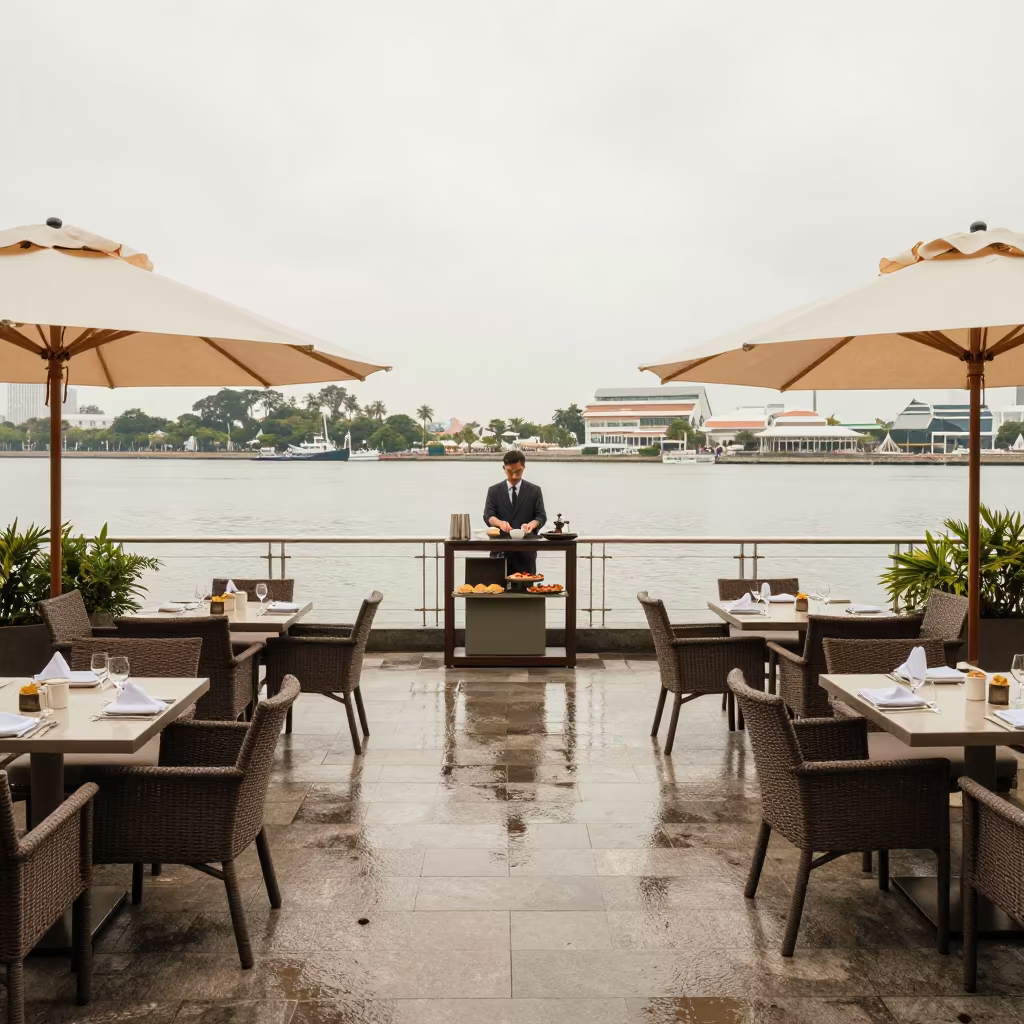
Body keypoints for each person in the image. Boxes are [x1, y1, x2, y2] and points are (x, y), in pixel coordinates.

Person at [483, 450, 547, 575]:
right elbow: (488, 515)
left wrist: (531, 525)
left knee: (526, 592)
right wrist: (500, 523)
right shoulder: (494, 491)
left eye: (518, 471)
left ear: (524, 468)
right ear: (504, 468)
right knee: (497, 591)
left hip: (526, 552)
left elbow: (541, 516)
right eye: (509, 471)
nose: (513, 476)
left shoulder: (534, 491)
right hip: (499, 551)